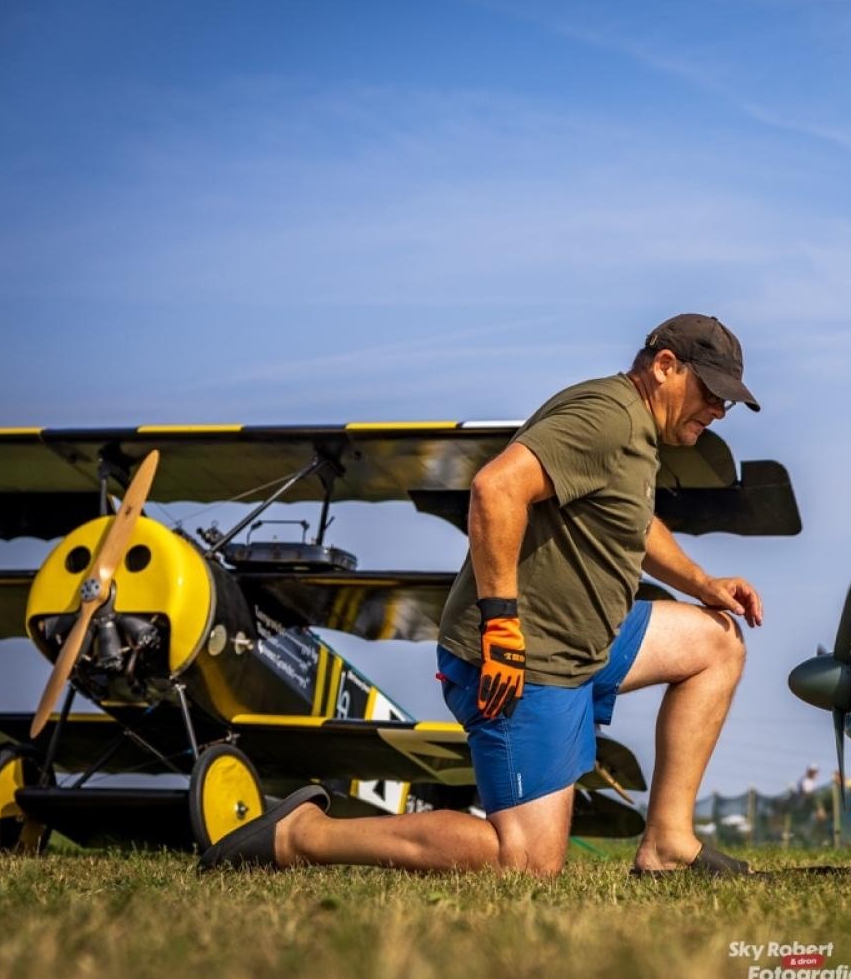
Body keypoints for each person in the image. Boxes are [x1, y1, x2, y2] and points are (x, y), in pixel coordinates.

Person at [201, 314, 764, 877]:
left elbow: (631, 519)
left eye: (727, 402)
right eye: (712, 393)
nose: (719, 410)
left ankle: (667, 842)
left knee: (717, 644)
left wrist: (702, 583)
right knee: (525, 860)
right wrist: (500, 625)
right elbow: (496, 489)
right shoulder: (606, 417)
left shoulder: (635, 427)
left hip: (590, 643)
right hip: (525, 658)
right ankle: (300, 835)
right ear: (665, 366)